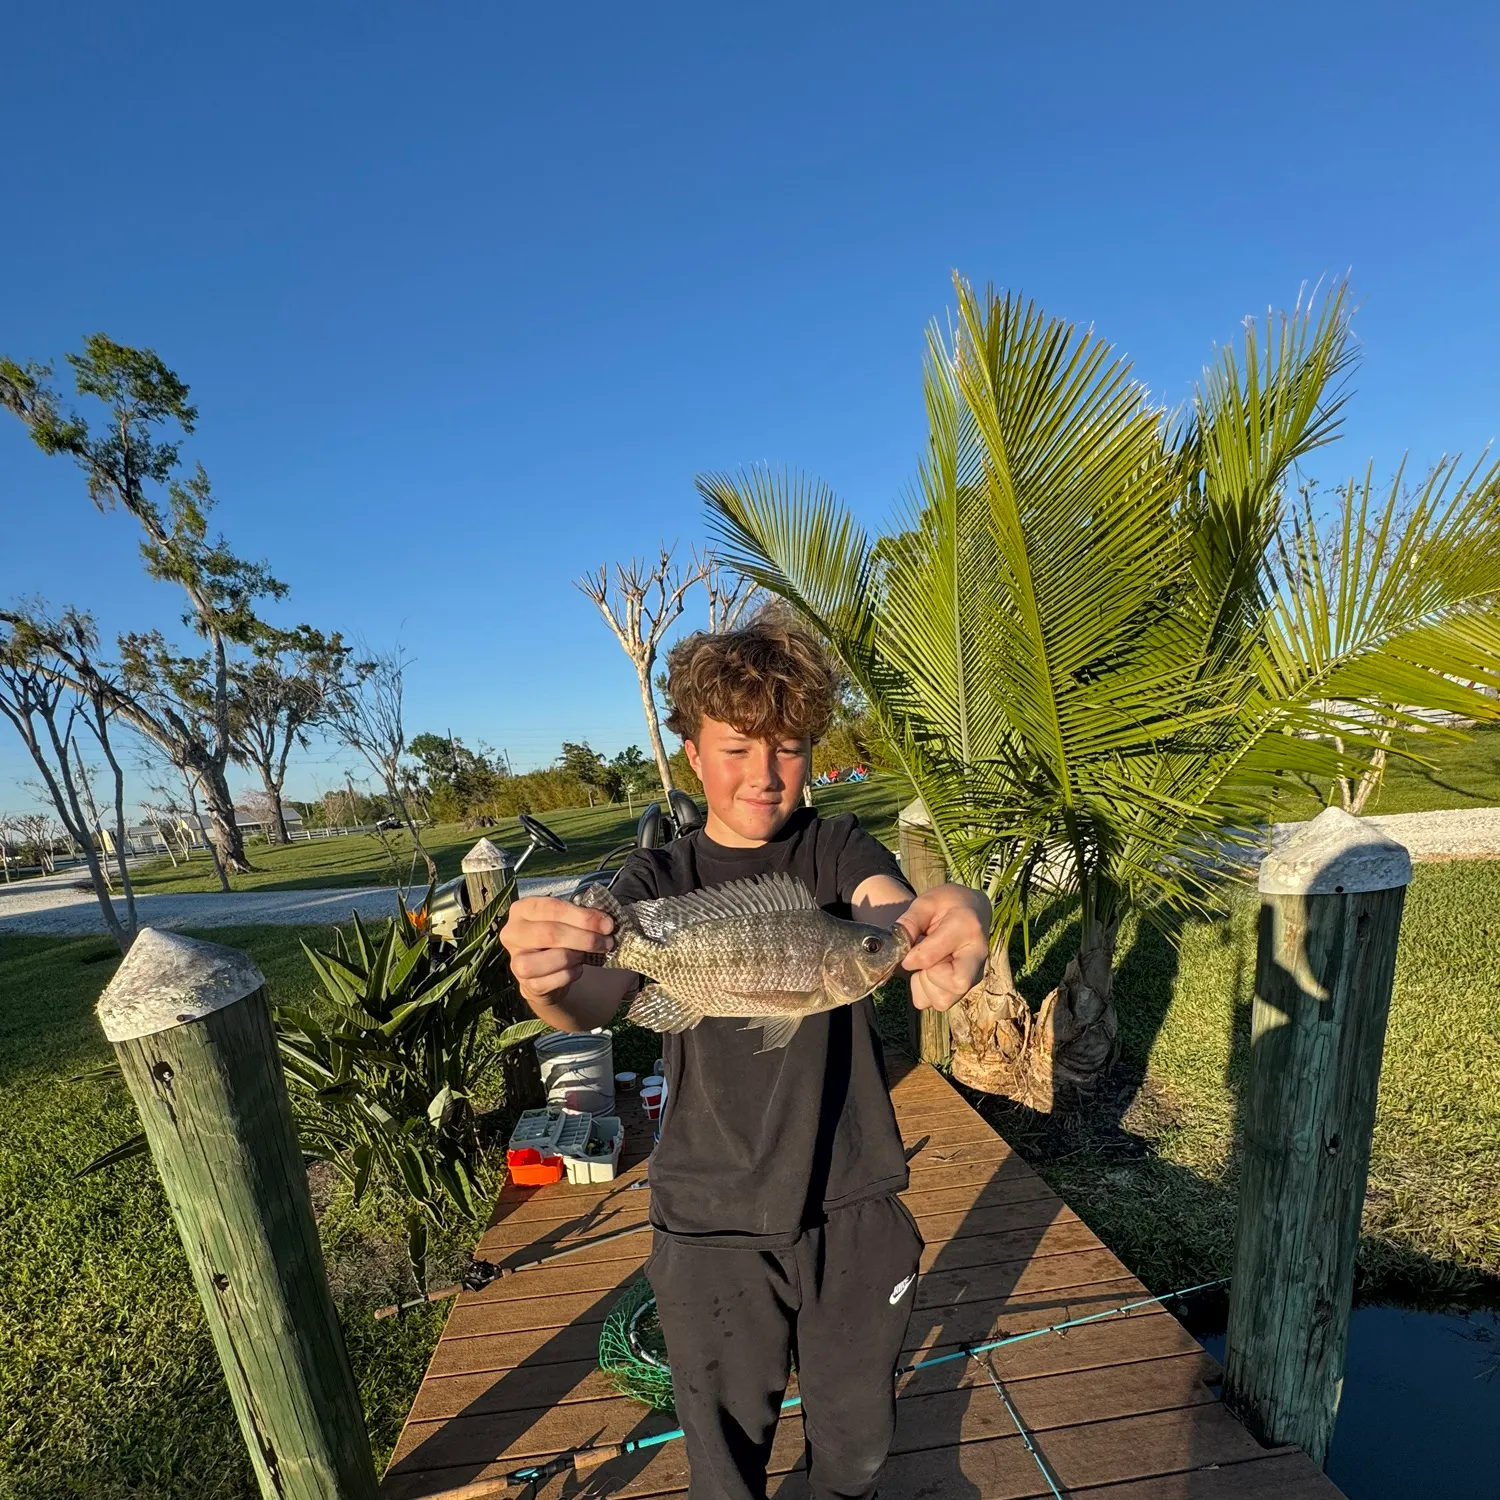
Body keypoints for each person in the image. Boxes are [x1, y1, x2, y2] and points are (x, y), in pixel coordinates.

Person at [500, 619, 990, 1500]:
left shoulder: (840, 853)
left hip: (852, 1202)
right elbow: (596, 997)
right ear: (692, 753)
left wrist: (953, 909)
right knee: (724, 1470)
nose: (764, 775)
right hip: (708, 1218)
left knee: (857, 1449)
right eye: (735, 749)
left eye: (792, 747)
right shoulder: (656, 883)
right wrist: (548, 982)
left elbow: (889, 916)